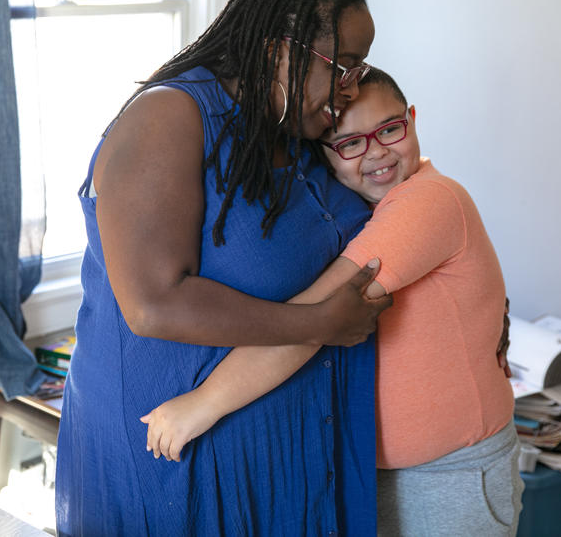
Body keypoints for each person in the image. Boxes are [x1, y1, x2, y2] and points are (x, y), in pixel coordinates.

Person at [54, 0, 393, 536]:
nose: (354, 86)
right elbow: (153, 304)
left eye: (359, 67)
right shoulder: (171, 117)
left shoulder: (300, 128)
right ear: (275, 53)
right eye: (343, 66)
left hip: (293, 459)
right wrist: (316, 323)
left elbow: (388, 200)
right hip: (177, 465)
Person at [140, 69, 523, 536]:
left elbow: (314, 318)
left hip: (453, 473)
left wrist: (203, 403)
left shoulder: (429, 200)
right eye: (350, 143)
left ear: (413, 120)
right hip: (374, 471)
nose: (377, 151)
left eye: (389, 129)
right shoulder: (359, 208)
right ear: (325, 156)